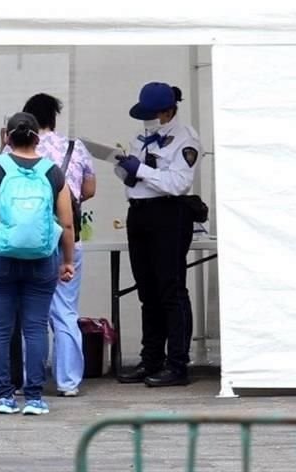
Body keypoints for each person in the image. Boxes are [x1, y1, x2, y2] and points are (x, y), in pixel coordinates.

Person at [0, 112, 75, 416]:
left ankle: (4, 397)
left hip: (0, 257)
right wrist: (67, 261)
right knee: (35, 328)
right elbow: (66, 224)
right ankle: (35, 398)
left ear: (7, 137)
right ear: (38, 137)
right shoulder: (52, 172)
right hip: (41, 260)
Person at [114, 82, 202, 387]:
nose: (147, 120)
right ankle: (150, 359)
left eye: (152, 114)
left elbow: (178, 183)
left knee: (171, 289)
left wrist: (142, 171)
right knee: (146, 290)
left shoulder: (185, 139)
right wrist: (125, 167)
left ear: (168, 111)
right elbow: (135, 178)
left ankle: (177, 363)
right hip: (139, 213)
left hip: (169, 214)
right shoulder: (141, 138)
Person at [21, 93, 96, 397]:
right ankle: (68, 382)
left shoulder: (20, 149)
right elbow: (89, 189)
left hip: (31, 239)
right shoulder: (75, 148)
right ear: (54, 118)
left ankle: (29, 377)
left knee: (30, 311)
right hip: (68, 236)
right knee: (65, 310)